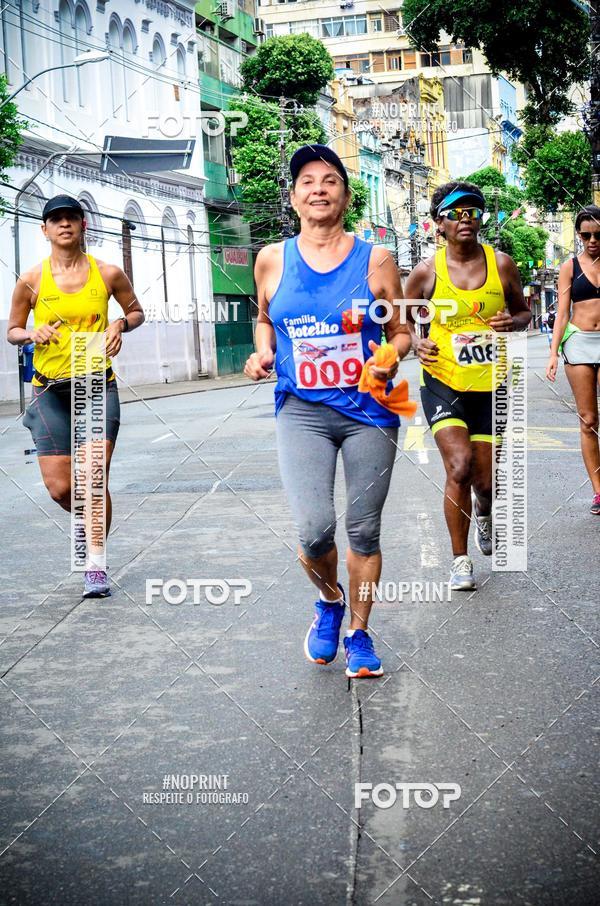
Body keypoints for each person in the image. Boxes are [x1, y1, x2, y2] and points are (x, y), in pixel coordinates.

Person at [244, 144, 412, 678]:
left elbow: (401, 329)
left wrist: (387, 356)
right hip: (302, 411)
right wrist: (262, 350)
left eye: (330, 180)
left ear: (345, 194)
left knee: (363, 530)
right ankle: (330, 600)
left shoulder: (377, 260)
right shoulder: (272, 258)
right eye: (308, 182)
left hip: (371, 411)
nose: (319, 188)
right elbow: (266, 318)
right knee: (315, 529)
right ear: (294, 198)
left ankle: (359, 634)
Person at [7, 194, 145, 596]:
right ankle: (90, 518)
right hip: (48, 390)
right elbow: (12, 329)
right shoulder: (31, 280)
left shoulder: (108, 273)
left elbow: (137, 312)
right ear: (45, 229)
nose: (64, 224)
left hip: (96, 384)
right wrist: (30, 333)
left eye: (72, 218)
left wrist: (120, 324)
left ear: (83, 225)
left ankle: (96, 564)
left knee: (90, 477)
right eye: (56, 219)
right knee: (61, 488)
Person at [405, 181, 531, 590]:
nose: (466, 218)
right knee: (458, 467)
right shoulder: (426, 272)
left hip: (490, 383)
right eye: (456, 212)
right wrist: (416, 339)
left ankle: (485, 512)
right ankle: (460, 561)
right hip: (443, 381)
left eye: (473, 211)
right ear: (438, 222)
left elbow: (523, 312)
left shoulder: (503, 264)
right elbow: (404, 315)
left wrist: (512, 323)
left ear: (481, 218)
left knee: (485, 479)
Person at [547, 205, 600, 515]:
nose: (592, 240)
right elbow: (563, 313)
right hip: (579, 343)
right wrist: (553, 353)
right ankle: (597, 491)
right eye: (586, 235)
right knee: (588, 420)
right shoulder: (569, 266)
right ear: (579, 235)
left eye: (598, 234)